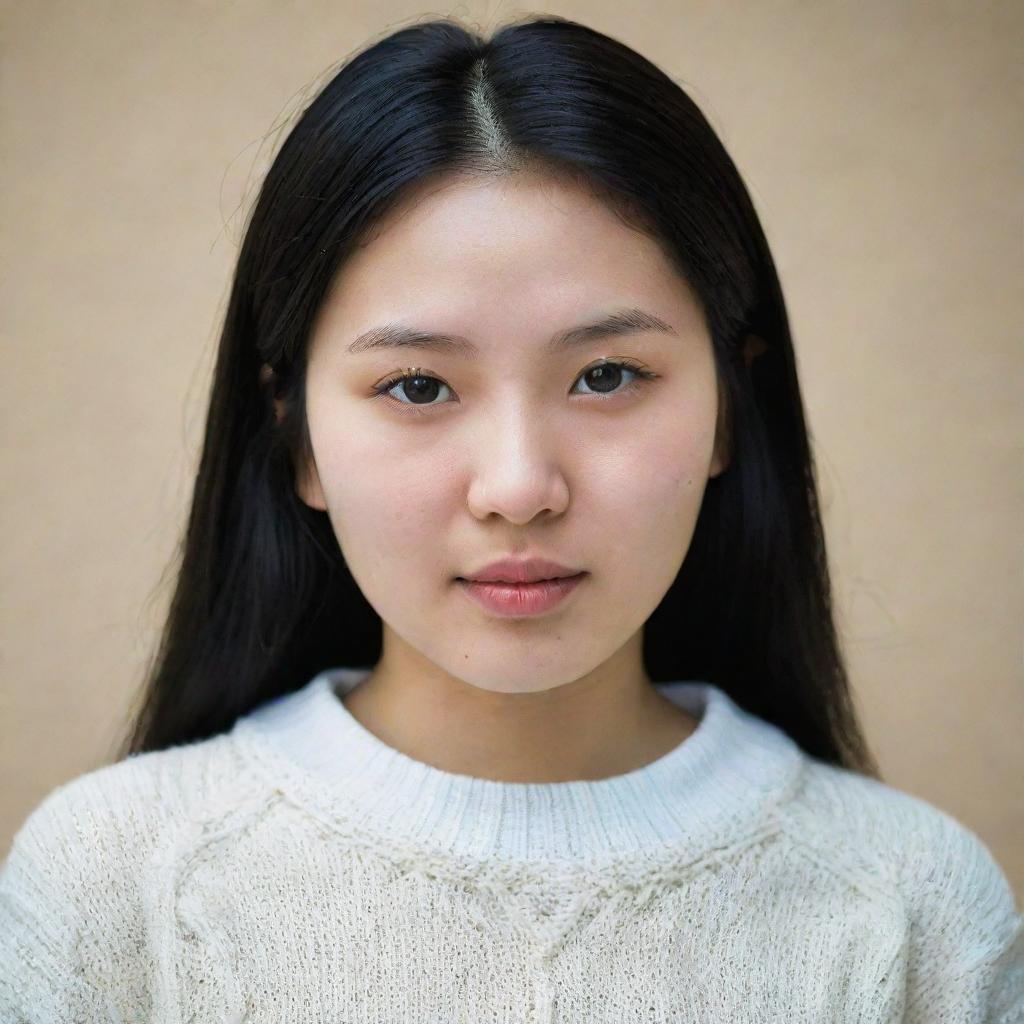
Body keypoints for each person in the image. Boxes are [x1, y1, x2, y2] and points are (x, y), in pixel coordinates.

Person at [1, 13, 1020, 1022]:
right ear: (296, 434)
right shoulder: (114, 887)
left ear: (727, 411)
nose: (519, 485)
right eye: (415, 386)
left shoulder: (913, 910)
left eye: (608, 374)